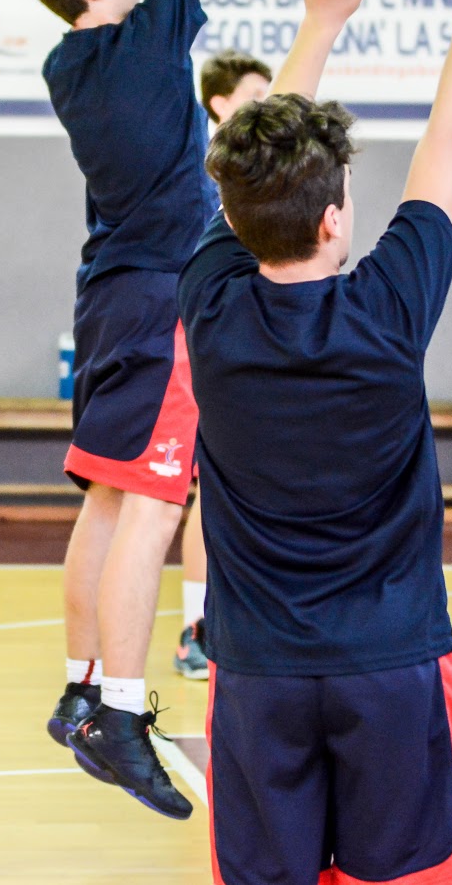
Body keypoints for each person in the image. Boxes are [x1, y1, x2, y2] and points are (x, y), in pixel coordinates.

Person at [179, 0, 452, 884]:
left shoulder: (211, 305)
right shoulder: (391, 303)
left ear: (230, 213)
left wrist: (320, 21)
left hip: (257, 671)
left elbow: (240, 179)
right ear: (340, 216)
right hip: (391, 663)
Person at [29, 0, 319, 820]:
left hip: (108, 292)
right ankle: (116, 706)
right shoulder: (150, 42)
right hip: (160, 300)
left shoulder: (73, 57)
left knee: (108, 501)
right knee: (151, 503)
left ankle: (74, 688)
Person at [173, 50, 273, 682]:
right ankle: (196, 626)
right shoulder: (203, 172)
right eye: (257, 95)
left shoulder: (260, 175)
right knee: (205, 487)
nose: (268, 105)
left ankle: (232, 618)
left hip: (251, 335)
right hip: (203, 338)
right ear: (220, 104)